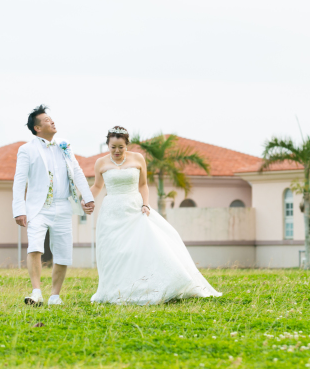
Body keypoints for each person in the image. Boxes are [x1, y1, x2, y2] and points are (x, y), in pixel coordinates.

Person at [90, 126, 221, 304]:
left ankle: (150, 284)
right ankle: (115, 289)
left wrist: (145, 203)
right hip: (111, 211)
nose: (117, 151)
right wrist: (87, 199)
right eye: (113, 147)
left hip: (134, 207)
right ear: (108, 145)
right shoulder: (101, 163)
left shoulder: (138, 159)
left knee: (143, 247)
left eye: (121, 147)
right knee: (115, 252)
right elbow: (98, 186)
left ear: (127, 145)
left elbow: (143, 185)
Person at [12, 105, 95, 306]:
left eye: (52, 119)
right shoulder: (27, 150)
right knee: (35, 246)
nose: (52, 122)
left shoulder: (65, 145)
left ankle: (55, 296)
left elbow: (77, 171)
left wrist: (88, 197)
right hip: (37, 208)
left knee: (63, 251)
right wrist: (19, 210)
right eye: (47, 120)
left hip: (63, 206)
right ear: (37, 128)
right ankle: (36, 292)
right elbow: (19, 180)